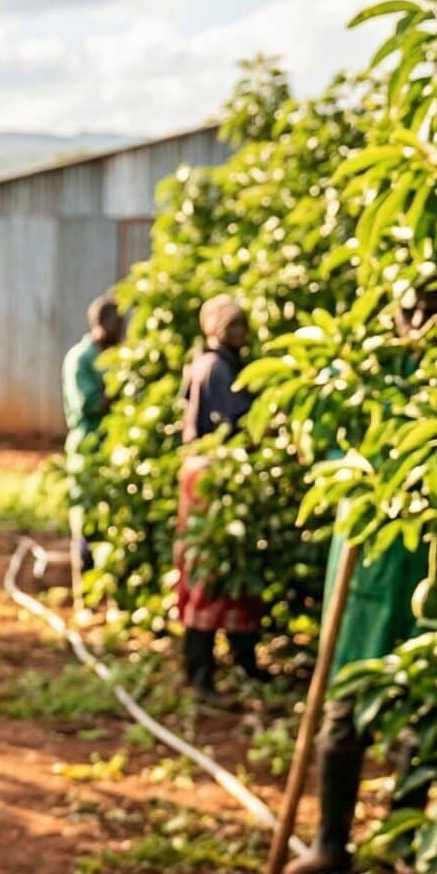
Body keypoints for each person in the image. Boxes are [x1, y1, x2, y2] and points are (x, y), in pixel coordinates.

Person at [286, 289, 437, 874]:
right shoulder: (364, 373)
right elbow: (324, 441)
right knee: (343, 714)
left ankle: (404, 840)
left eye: (432, 310)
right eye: (410, 311)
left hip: (431, 576)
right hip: (363, 578)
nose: (419, 324)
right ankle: (331, 841)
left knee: (420, 719)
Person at [173, 294, 265, 705]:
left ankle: (241, 662)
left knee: (231, 567)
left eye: (242, 325)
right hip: (213, 473)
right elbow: (233, 425)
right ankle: (202, 674)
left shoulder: (216, 362)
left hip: (212, 470)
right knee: (209, 571)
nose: (239, 333)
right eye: (232, 325)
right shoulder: (216, 366)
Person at [63, 295, 123, 593]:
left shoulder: (114, 356)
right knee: (85, 520)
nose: (122, 328)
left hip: (112, 447)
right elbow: (88, 403)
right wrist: (120, 386)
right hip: (87, 446)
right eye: (117, 322)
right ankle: (82, 592)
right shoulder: (82, 358)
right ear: (101, 323)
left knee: (110, 518)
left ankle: (105, 589)